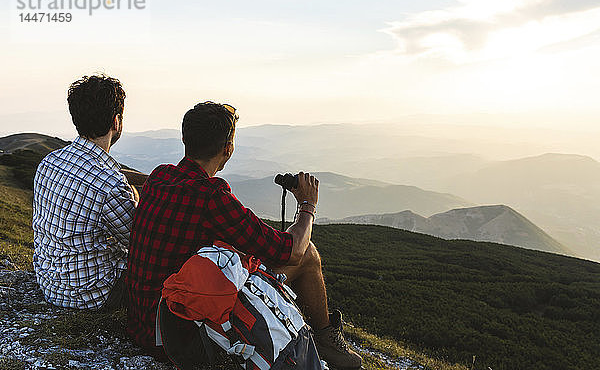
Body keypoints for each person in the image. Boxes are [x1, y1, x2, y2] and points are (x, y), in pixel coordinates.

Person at [126, 102, 362, 369]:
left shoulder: (159, 177)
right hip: (178, 335)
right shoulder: (212, 197)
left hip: (142, 322)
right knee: (308, 255)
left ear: (184, 139)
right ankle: (326, 340)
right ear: (228, 149)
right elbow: (292, 250)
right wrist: (308, 206)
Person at [32, 74, 146, 311]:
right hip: (91, 294)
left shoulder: (49, 162)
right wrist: (135, 194)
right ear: (116, 122)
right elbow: (139, 244)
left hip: (50, 283)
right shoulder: (110, 184)